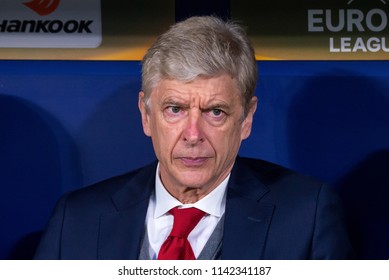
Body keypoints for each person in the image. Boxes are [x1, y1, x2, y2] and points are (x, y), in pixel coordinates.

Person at [34, 15, 353, 260]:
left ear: (246, 119)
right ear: (146, 115)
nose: (192, 135)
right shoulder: (76, 221)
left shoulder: (306, 218)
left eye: (215, 112)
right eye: (175, 109)